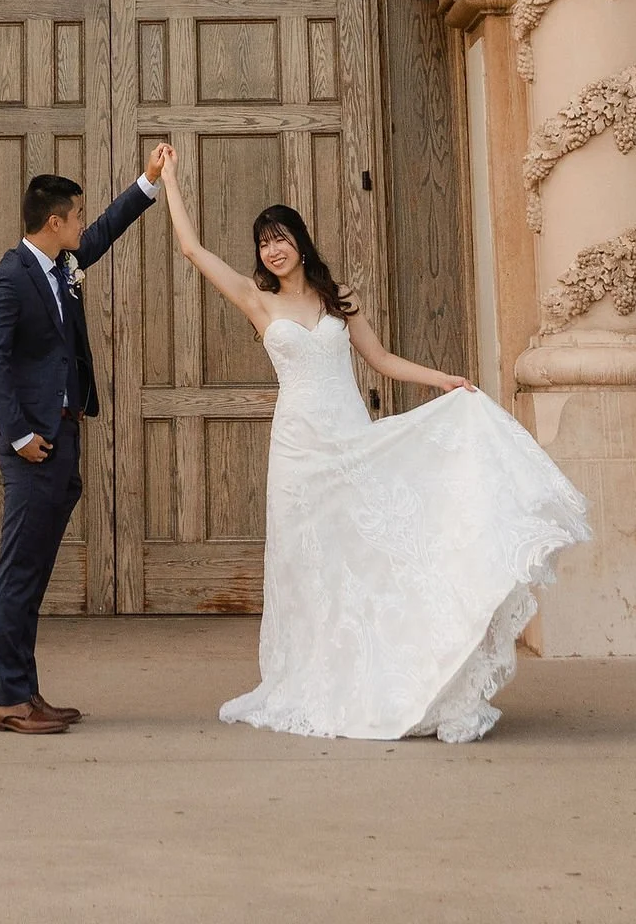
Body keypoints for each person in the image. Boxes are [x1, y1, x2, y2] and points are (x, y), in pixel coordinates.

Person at [147, 146, 590, 741]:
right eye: (262, 243)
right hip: (299, 454)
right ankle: (316, 678)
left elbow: (379, 359)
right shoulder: (259, 302)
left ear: (300, 242)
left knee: (371, 559)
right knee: (310, 568)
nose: (272, 250)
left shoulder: (337, 299)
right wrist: (169, 179)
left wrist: (444, 380)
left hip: (352, 440)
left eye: (280, 238)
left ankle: (397, 675)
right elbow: (192, 250)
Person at [0, 155, 171, 735]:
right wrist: (18, 435)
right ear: (54, 222)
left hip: (63, 436)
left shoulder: (63, 264)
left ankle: (24, 690)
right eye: (76, 217)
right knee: (18, 573)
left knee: (33, 574)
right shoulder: (9, 278)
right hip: (32, 445)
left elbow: (109, 227)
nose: (84, 224)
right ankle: (6, 699)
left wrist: (149, 182)